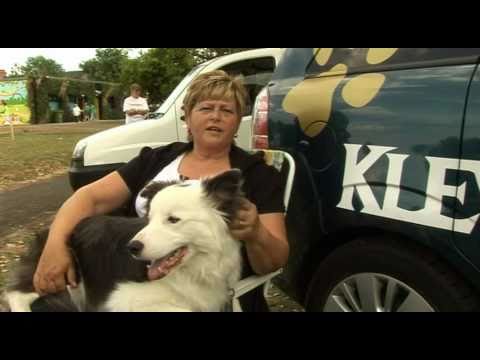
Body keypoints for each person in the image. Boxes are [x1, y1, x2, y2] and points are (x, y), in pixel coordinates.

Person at [33, 70, 289, 311]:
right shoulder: (156, 160)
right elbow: (89, 198)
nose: (215, 116)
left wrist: (256, 233)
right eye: (206, 108)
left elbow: (274, 260)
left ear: (237, 122)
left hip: (201, 295)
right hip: (133, 282)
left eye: (227, 110)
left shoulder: (256, 175)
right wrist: (55, 247)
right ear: (187, 116)